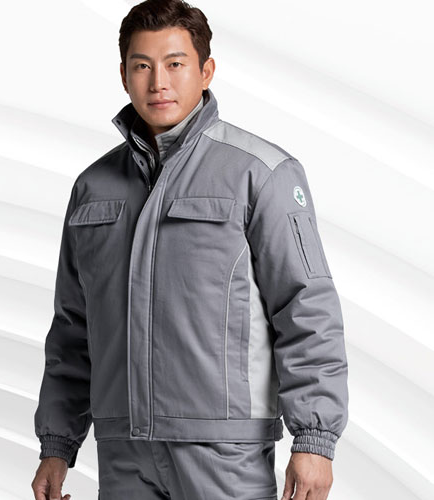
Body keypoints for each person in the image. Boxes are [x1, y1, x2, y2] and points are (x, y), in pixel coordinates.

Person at [31, 1, 349, 499]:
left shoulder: (260, 173)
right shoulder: (94, 188)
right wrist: (57, 444)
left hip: (224, 454)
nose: (159, 82)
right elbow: (73, 329)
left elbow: (305, 307)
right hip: (124, 452)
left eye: (175, 63)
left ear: (206, 71)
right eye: (142, 65)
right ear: (123, 76)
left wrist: (314, 439)